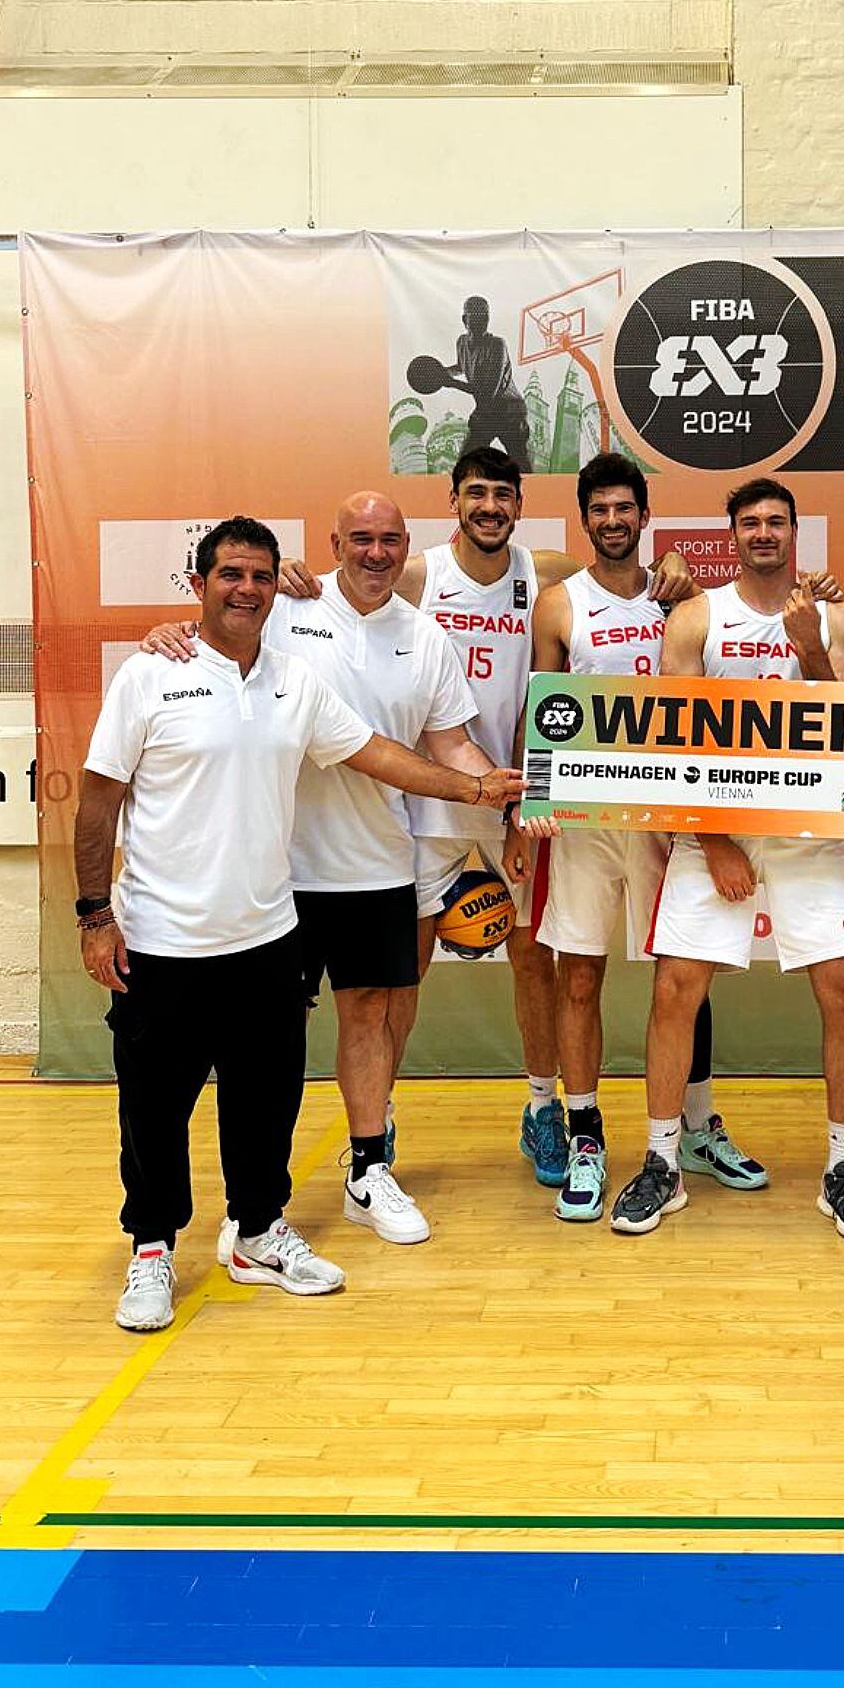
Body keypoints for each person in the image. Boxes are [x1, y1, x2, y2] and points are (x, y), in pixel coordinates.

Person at [75, 517, 522, 1333]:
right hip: (163, 941)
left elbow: (377, 753)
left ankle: (255, 1232)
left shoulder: (293, 681)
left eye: (258, 575)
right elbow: (98, 797)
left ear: (277, 582)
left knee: (263, 1100)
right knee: (154, 1107)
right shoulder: (149, 675)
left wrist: (475, 789)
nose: (244, 588)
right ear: (199, 584)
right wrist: (95, 913)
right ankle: (151, 1249)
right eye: (228, 574)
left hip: (267, 936)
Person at [278, 452, 693, 1188]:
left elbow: (626, 573)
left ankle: (541, 1108)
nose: (490, 506)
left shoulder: (548, 571)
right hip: (432, 792)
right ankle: (383, 1114)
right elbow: (345, 582)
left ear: (520, 504)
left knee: (537, 957)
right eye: (477, 493)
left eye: (504, 494)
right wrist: (292, 576)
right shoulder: (417, 571)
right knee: (404, 968)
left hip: (525, 798)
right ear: (454, 500)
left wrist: (678, 570)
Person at [142, 492, 497, 1248]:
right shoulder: (285, 609)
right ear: (334, 543)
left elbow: (450, 744)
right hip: (280, 873)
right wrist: (167, 631)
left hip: (378, 863)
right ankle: (255, 1207)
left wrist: (493, 784)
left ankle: (369, 1169)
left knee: (371, 1016)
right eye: (359, 538)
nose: (375, 553)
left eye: (390, 540)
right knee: (265, 1045)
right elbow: (215, 633)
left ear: (408, 548)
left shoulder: (427, 635)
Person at [621, 478, 844, 1244]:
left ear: (796, 531)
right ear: (730, 535)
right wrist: (713, 839)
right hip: (719, 829)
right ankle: (663, 1162)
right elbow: (668, 736)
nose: (763, 532)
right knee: (676, 986)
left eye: (775, 521)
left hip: (806, 831)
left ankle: (842, 1169)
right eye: (750, 523)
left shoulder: (835, 615)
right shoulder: (698, 616)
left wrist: (809, 646)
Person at [526, 452, 765, 1222]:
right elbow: (544, 707)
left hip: (670, 818)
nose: (613, 520)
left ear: (643, 514)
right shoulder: (561, 603)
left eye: (625, 508)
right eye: (599, 509)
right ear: (586, 517)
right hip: (588, 823)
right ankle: (586, 1129)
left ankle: (694, 1127)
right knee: (581, 976)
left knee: (685, 974)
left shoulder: (682, 599)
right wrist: (531, 799)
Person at [439, 296, 532, 470]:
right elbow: (461, 366)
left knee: (520, 465)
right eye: (475, 317)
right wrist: (442, 372)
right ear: (464, 319)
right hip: (486, 412)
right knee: (466, 463)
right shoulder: (461, 342)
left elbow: (488, 391)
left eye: (484, 317)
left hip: (510, 412)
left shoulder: (497, 345)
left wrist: (451, 383)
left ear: (488, 319)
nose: (481, 321)